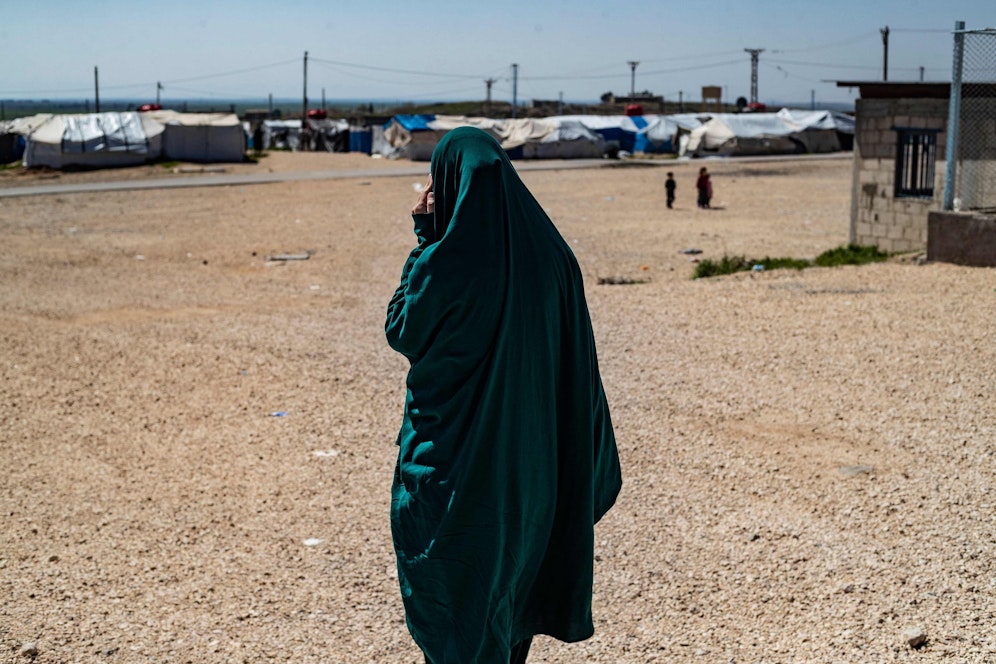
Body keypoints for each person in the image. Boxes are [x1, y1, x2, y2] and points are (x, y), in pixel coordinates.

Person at [385, 127, 622, 664]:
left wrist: (424, 233)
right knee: (512, 591)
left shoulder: (446, 261)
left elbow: (402, 328)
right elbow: (577, 365)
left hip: (456, 474)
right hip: (534, 472)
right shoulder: (556, 257)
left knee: (458, 602)